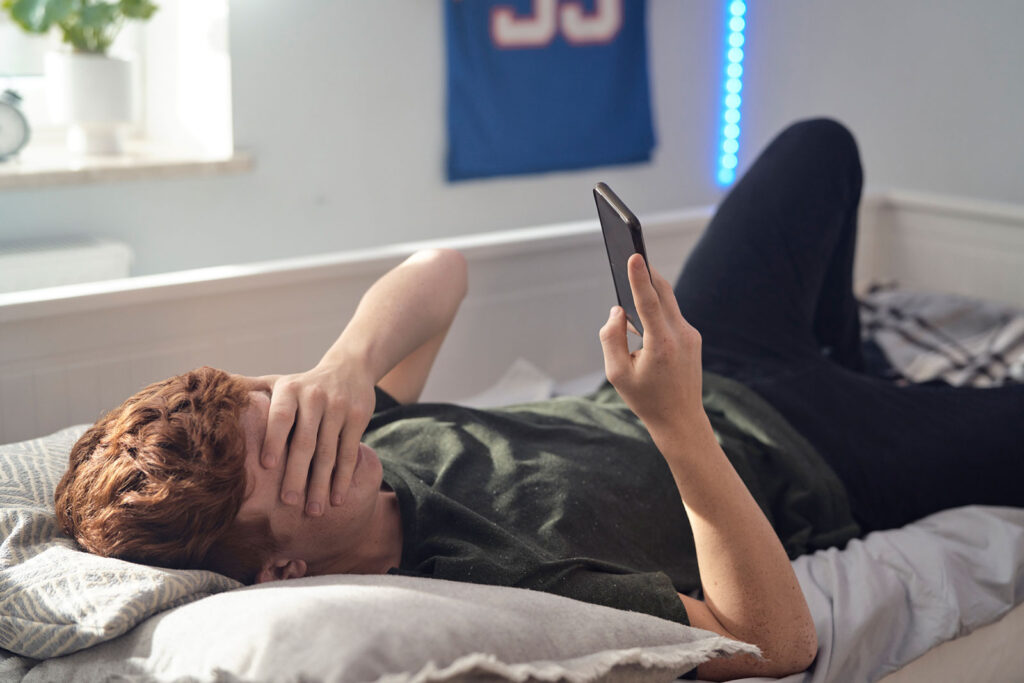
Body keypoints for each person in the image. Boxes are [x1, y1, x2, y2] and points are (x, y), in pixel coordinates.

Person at [54, 119, 1024, 682]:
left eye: (297, 414)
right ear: (286, 568)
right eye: (300, 458)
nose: (331, 435)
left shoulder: (366, 432)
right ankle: (861, 385)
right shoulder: (492, 581)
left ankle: (846, 353)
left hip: (716, 359)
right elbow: (775, 641)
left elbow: (439, 272)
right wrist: (676, 420)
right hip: (820, 450)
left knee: (820, 148)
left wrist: (345, 365)